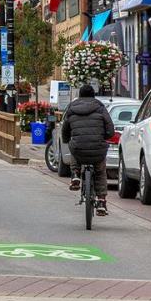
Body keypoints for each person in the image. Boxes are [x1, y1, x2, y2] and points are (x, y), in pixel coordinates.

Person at [61, 83, 116, 216]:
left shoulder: (71, 108)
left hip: (79, 148)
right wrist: (104, 137)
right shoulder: (100, 107)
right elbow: (110, 130)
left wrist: (66, 139)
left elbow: (65, 129)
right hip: (97, 148)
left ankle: (75, 174)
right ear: (93, 95)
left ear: (80, 95)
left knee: (74, 147)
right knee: (100, 171)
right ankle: (101, 201)